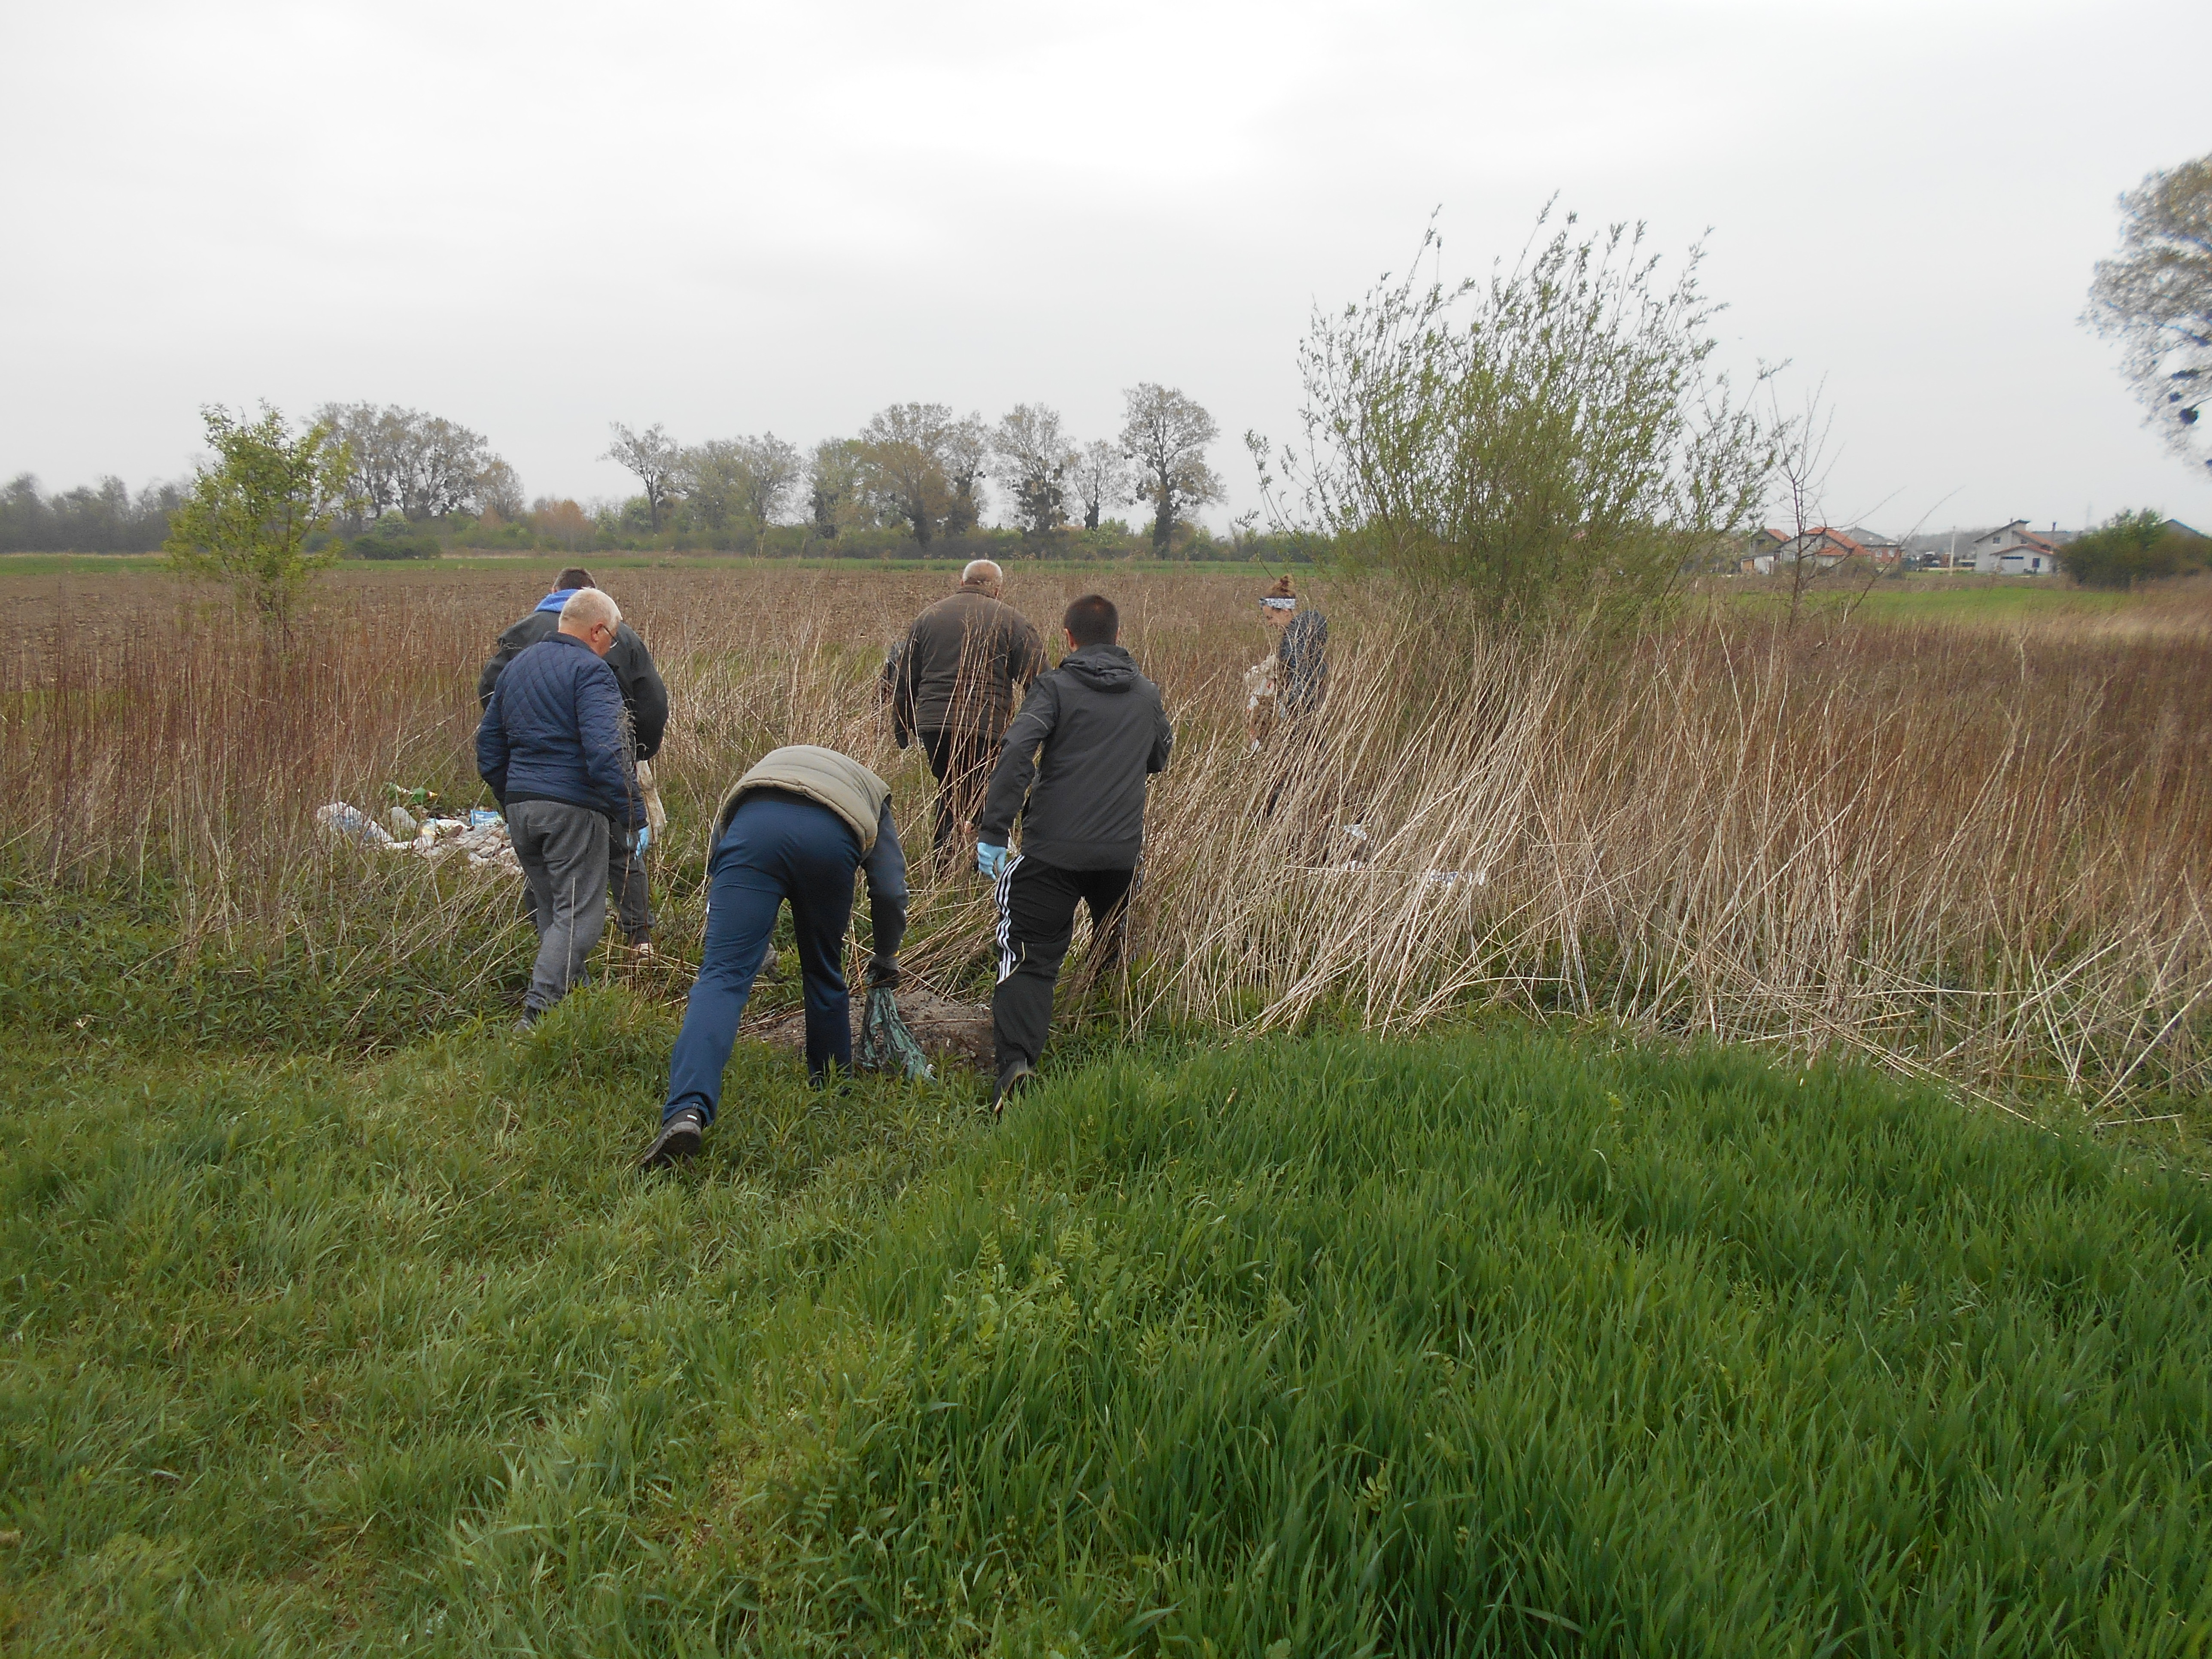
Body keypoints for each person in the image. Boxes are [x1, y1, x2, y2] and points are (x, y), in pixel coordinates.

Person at [638, 744, 909, 1169]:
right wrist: (887, 956)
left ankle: (686, 1111)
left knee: (722, 978)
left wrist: (724, 924)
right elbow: (890, 889)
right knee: (823, 972)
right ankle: (831, 1095)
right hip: (830, 838)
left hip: (753, 826)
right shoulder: (874, 790)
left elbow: (722, 839)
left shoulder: (771, 763)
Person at [974, 594, 1172, 1112]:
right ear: (1117, 634)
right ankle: (1108, 1027)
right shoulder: (1147, 693)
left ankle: (1016, 1065)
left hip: (1052, 854)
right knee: (1112, 938)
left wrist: (994, 830)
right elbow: (1159, 757)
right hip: (1120, 856)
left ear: (1068, 637)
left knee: (1030, 956)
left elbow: (1018, 749)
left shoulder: (1054, 688)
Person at [475, 588, 643, 1027]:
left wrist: (513, 798)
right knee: (580, 921)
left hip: (521, 808)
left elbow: (488, 748)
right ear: (598, 630)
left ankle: (574, 1005)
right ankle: (536, 1017)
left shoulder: (516, 667)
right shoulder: (592, 672)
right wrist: (631, 814)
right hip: (573, 809)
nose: (613, 646)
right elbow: (606, 752)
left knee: (552, 910)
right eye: (614, 637)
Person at [480, 566, 671, 949]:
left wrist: (515, 774)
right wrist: (636, 755)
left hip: (529, 782)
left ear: (554, 591)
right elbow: (653, 704)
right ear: (594, 602)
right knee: (622, 851)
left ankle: (543, 947)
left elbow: (490, 702)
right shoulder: (621, 637)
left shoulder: (519, 637)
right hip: (597, 775)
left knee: (546, 872)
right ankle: (639, 939)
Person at [887, 559, 1046, 866]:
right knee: (984, 794)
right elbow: (1040, 684)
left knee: (952, 790)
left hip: (934, 728)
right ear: (997, 590)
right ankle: (986, 867)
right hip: (987, 728)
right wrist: (1030, 733)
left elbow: (905, 678)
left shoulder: (928, 617)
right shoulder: (1013, 621)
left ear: (962, 583)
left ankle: (946, 867)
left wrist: (903, 726)